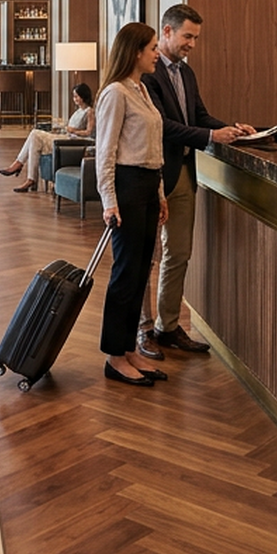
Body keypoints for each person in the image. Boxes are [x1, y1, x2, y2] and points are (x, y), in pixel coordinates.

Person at [139, 4, 247, 358]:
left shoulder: (186, 74)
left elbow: (197, 116)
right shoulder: (147, 74)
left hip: (184, 173)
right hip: (152, 175)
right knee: (144, 257)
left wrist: (229, 128)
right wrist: (211, 136)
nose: (193, 45)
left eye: (196, 38)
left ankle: (167, 327)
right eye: (188, 36)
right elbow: (163, 127)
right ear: (166, 32)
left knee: (178, 253)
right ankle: (141, 330)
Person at [95, 21, 170, 387]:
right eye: (153, 47)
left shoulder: (141, 89)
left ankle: (129, 350)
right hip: (125, 186)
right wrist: (109, 201)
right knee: (125, 273)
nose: (158, 54)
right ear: (136, 51)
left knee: (142, 270)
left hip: (147, 185)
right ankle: (114, 355)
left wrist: (159, 194)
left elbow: (151, 149)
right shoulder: (115, 93)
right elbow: (106, 153)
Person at [0, 83, 96, 193]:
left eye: (76, 96)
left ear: (83, 96)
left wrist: (73, 130)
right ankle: (29, 177)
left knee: (35, 134)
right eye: (73, 96)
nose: (74, 99)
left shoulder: (89, 112)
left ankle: (20, 166)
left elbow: (89, 132)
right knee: (34, 138)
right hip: (67, 137)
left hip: (73, 141)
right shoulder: (78, 111)